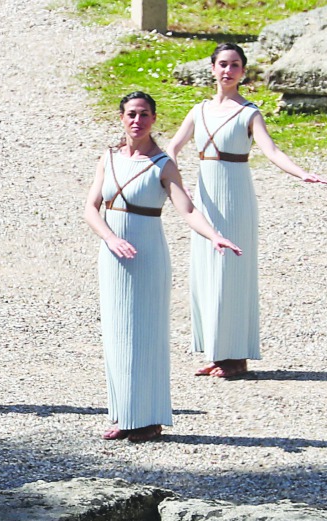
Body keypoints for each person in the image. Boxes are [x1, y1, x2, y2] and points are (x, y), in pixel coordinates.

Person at [84, 91, 242, 444]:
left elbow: (187, 209)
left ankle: (149, 418)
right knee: (116, 335)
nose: (136, 121)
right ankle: (124, 413)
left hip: (148, 256)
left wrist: (215, 236)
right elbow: (91, 208)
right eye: (130, 114)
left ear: (154, 118)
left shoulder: (162, 163)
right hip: (112, 257)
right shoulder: (107, 158)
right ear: (121, 117)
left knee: (145, 334)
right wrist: (109, 238)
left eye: (143, 114)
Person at [167, 43, 327, 380]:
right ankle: (218, 351)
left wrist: (300, 172)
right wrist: (166, 178)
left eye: (235, 65)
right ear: (212, 68)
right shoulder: (198, 111)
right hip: (206, 200)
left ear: (242, 71)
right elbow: (172, 148)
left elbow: (271, 150)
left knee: (232, 274)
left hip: (236, 199)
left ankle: (236, 357)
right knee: (207, 273)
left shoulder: (249, 113)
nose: (228, 71)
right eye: (222, 64)